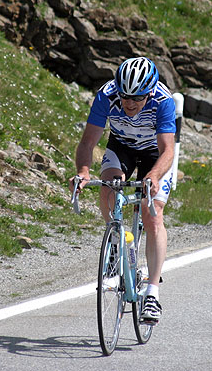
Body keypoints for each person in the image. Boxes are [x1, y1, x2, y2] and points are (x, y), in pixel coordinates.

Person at [71, 56, 176, 325]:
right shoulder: (106, 95)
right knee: (107, 189)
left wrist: (153, 176)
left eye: (137, 98)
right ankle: (117, 243)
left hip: (154, 153)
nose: (129, 103)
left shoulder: (163, 101)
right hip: (122, 147)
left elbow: (168, 151)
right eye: (125, 96)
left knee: (152, 214)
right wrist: (83, 172)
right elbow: (88, 141)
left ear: (149, 92)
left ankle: (152, 292)